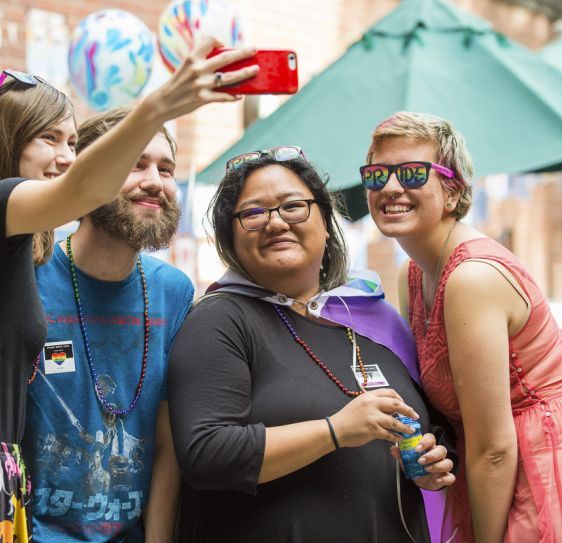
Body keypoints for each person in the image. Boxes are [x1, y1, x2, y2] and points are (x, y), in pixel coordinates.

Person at [0, 39, 258, 541]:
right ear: (2, 139)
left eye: (73, 144)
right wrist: (160, 105)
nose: (65, 158)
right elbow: (83, 190)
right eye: (48, 139)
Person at [362, 111, 562, 542]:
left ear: (451, 191)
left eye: (413, 173)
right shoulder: (412, 275)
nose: (391, 187)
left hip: (546, 474)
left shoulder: (472, 279)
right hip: (495, 475)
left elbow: (494, 447)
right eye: (377, 174)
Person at [167, 148, 456, 543]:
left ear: (325, 221)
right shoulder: (220, 320)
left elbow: (436, 429)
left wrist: (431, 461)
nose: (275, 223)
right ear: (230, 237)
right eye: (253, 213)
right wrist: (335, 430)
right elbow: (206, 454)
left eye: (293, 206)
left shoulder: (374, 317)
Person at [22, 106, 193, 541]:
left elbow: (166, 441)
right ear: (89, 174)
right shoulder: (28, 278)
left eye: (166, 169)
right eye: (135, 163)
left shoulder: (174, 292)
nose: (155, 181)